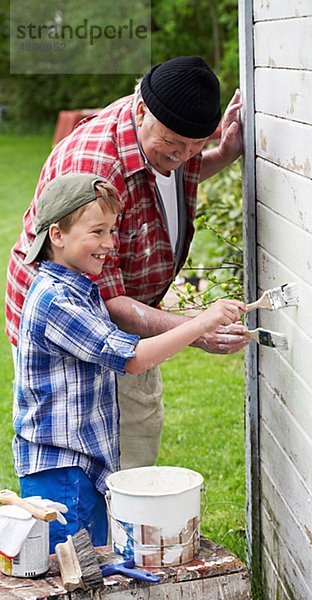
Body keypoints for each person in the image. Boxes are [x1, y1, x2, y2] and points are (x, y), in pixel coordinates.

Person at [6, 55, 249, 470]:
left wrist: (220, 155)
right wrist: (197, 330)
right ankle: (111, 527)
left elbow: (173, 164)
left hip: (120, 310)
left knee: (131, 430)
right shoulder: (94, 169)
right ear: (141, 111)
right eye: (175, 146)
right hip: (70, 323)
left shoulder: (162, 130)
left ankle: (118, 522)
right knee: (87, 453)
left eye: (196, 146)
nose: (185, 156)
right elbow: (108, 302)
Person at [13, 173, 245, 553]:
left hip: (82, 466)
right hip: (60, 472)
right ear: (57, 235)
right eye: (97, 232)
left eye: (112, 231)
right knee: (68, 574)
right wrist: (201, 323)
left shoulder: (79, 287)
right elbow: (133, 359)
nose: (109, 244)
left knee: (92, 567)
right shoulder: (56, 301)